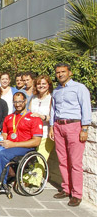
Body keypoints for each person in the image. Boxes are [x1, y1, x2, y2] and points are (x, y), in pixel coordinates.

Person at [0, 92, 43, 194]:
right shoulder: (9, 117)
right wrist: (2, 140)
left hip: (24, 147)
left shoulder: (34, 118)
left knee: (3, 154)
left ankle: (1, 183)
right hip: (10, 145)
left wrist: (13, 144)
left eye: (20, 101)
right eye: (15, 102)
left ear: (25, 101)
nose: (17, 104)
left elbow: (36, 141)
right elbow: (5, 133)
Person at [49, 63, 91, 207]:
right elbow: (53, 109)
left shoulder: (79, 88)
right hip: (59, 126)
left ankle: (76, 194)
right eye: (58, 72)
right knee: (62, 160)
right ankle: (66, 188)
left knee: (75, 162)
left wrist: (84, 128)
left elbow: (86, 107)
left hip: (74, 125)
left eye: (63, 72)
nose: (60, 74)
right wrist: (51, 126)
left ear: (69, 73)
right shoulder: (56, 91)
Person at [29, 75, 54, 160]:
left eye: (44, 83)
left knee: (40, 159)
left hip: (45, 133)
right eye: (39, 84)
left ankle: (38, 174)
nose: (41, 86)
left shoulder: (51, 98)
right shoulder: (34, 98)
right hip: (32, 133)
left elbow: (53, 117)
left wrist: (41, 116)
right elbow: (29, 113)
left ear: (49, 85)